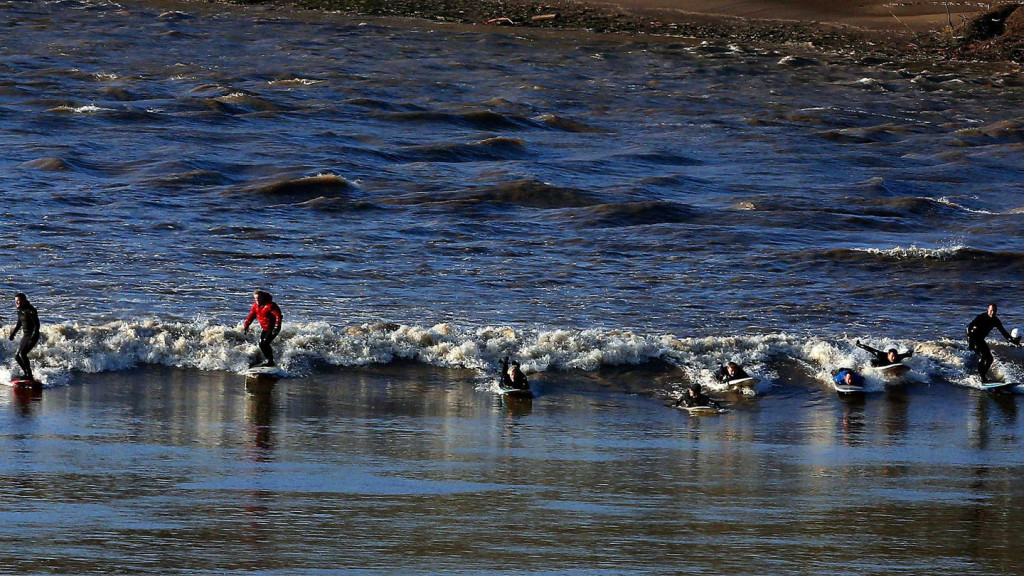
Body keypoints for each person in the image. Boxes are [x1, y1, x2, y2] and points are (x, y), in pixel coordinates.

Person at [966, 303, 1019, 382]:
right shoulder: (982, 317)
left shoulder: (996, 320)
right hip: (973, 338)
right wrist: (970, 341)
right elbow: (968, 327)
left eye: (994, 311)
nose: (992, 313)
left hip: (980, 340)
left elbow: (1004, 333)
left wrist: (1013, 341)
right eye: (991, 311)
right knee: (984, 356)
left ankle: (982, 376)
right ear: (988, 309)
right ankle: (982, 377)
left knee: (990, 359)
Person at [243, 290, 283, 368]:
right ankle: (268, 360)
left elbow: (278, 316)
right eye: (255, 299)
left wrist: (277, 326)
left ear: (262, 298)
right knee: (261, 343)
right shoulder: (255, 306)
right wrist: (246, 325)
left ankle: (270, 361)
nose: (257, 301)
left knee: (265, 342)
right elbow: (251, 315)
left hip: (274, 327)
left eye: (259, 298)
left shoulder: (270, 305)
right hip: (265, 328)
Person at [9, 293, 40, 381]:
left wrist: (33, 336)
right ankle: (26, 373)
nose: (17, 303)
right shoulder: (19, 310)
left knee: (22, 354)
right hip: (25, 335)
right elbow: (19, 323)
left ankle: (29, 374)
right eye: (16, 301)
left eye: (19, 301)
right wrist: (13, 333)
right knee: (17, 356)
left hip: (32, 335)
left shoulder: (31, 310)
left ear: (24, 300)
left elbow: (37, 325)